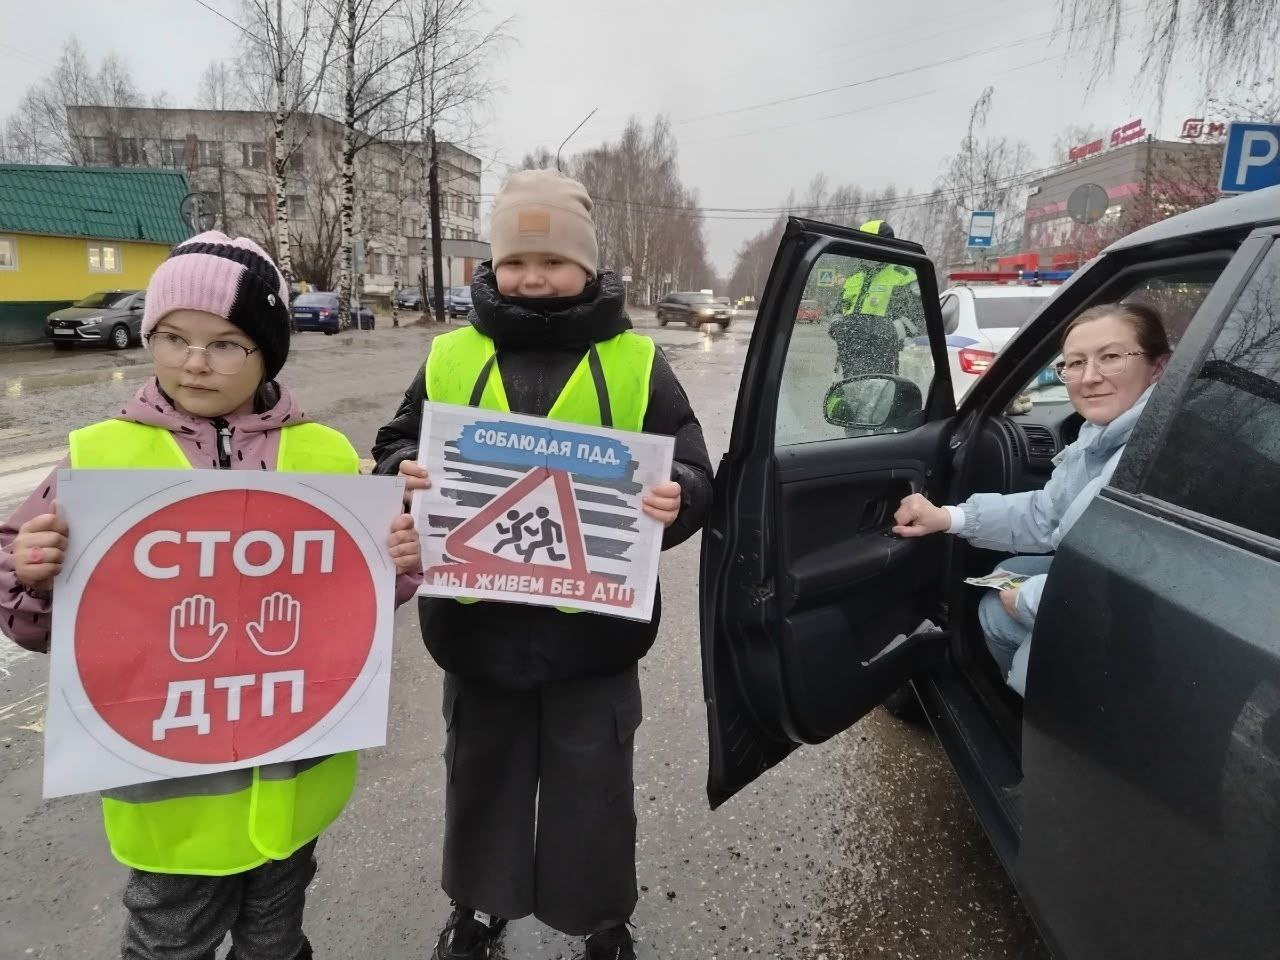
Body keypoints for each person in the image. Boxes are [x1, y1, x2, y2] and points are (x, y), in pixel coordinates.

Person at [0, 232, 424, 960]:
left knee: (276, 940)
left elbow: (350, 605)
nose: (193, 361)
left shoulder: (323, 456)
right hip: (172, 797)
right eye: (172, 337)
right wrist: (33, 574)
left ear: (267, 352)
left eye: (226, 343)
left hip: (294, 786)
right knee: (171, 946)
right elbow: (30, 616)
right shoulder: (101, 458)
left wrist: (398, 564)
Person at [372, 169, 714, 960]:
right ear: (492, 266)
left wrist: (682, 496)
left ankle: (599, 917)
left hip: (592, 638)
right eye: (516, 260)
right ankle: (478, 908)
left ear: (589, 268)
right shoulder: (451, 354)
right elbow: (398, 439)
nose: (533, 277)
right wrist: (400, 472)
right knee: (481, 777)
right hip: (475, 630)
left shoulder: (636, 362)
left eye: (553, 261)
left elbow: (691, 461)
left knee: (592, 789)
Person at [891, 302, 1171, 696]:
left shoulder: (1147, 459)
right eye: (1074, 363)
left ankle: (1042, 714)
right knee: (1012, 571)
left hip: (1138, 626)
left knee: (995, 612)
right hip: (1117, 602)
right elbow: (1046, 514)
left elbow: (1109, 584)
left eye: (1110, 357)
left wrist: (1027, 600)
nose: (1089, 377)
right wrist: (949, 518)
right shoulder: (1103, 435)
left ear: (1158, 366)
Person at [828, 220, 919, 379]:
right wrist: (838, 327)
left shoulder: (904, 277)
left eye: (867, 244)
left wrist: (878, 331)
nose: (862, 250)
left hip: (886, 369)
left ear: (885, 246)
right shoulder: (852, 279)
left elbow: (917, 322)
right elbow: (836, 312)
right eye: (859, 244)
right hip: (847, 366)